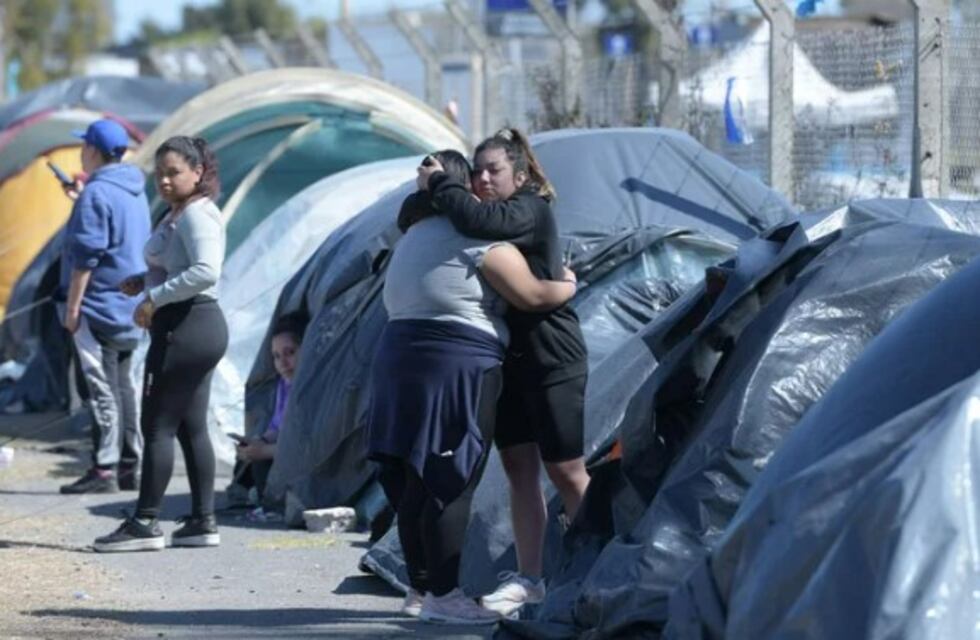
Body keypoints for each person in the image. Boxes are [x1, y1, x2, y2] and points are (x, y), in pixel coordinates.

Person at [368, 150, 577, 625]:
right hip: (456, 362)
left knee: (417, 479)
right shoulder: (479, 240)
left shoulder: (412, 236)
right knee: (451, 480)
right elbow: (532, 295)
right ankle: (445, 595)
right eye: (476, 179)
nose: (484, 187)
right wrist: (567, 283)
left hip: (397, 355)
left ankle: (421, 589)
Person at [417, 128, 591, 617]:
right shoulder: (482, 216)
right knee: (520, 470)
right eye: (477, 171)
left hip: (553, 356)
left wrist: (440, 184)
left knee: (567, 471)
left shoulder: (530, 210)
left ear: (521, 174)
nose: (484, 178)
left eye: (494, 170)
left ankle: (597, 569)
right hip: (509, 362)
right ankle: (531, 580)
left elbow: (477, 218)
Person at [93, 136, 228, 553]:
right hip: (196, 326)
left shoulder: (196, 217)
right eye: (160, 173)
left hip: (186, 327)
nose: (165, 181)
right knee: (189, 426)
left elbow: (206, 271)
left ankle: (145, 522)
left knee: (157, 426)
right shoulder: (181, 213)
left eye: (174, 172)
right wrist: (144, 281)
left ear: (198, 172)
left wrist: (155, 298)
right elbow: (177, 264)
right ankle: (202, 521)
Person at [57, 119, 150, 495]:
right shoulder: (133, 189)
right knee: (124, 387)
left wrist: (72, 308)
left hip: (98, 306)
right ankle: (129, 465)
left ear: (93, 150)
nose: (82, 152)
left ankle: (103, 469)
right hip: (129, 307)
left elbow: (87, 258)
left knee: (100, 388)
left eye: (84, 146)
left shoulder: (97, 195)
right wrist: (82, 199)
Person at [229, 313, 304, 510]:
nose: (283, 362)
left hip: (300, 459)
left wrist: (265, 451)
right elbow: (277, 426)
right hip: (283, 448)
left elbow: (308, 445)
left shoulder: (312, 387)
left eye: (290, 353)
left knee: (262, 463)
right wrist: (257, 443)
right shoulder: (284, 384)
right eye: (277, 356)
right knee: (248, 457)